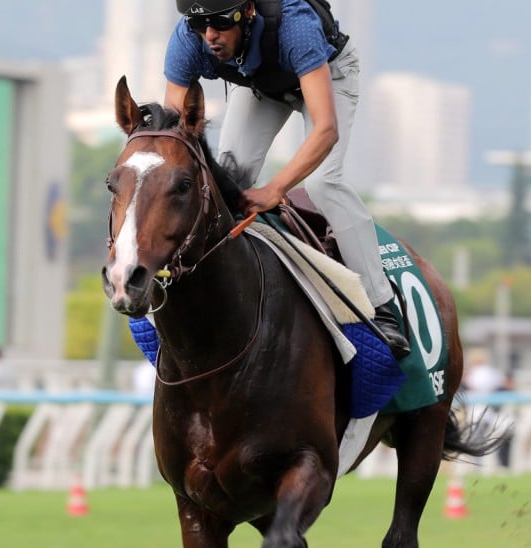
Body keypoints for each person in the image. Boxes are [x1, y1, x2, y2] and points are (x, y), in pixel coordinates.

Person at [164, 0, 409, 358]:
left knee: (324, 183)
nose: (210, 36)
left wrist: (275, 189)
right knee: (228, 180)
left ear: (247, 11)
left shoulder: (295, 26)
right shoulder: (188, 38)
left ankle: (381, 306)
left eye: (218, 23)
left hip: (328, 73)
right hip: (261, 83)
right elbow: (177, 139)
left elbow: (326, 130)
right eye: (200, 26)